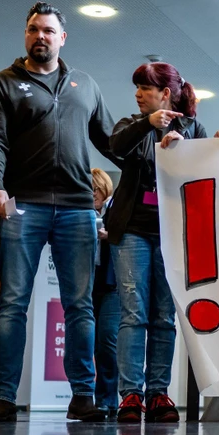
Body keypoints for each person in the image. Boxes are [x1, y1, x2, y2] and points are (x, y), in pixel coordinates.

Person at [0, 2, 116, 423]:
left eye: (48, 30)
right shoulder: (2, 84)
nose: (41, 36)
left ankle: (83, 396)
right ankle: (4, 397)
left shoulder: (85, 84)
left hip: (77, 208)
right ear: (26, 34)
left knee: (80, 306)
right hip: (23, 205)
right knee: (12, 303)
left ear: (62, 38)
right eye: (34, 29)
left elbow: (111, 142)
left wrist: (157, 152)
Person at [106, 62, 207, 424]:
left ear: (165, 93)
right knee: (133, 313)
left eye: (145, 88)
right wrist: (148, 124)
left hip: (172, 233)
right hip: (131, 229)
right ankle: (131, 394)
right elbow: (115, 147)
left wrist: (182, 149)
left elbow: (202, 174)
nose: (138, 94)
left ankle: (158, 393)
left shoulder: (192, 127)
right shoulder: (130, 124)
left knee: (164, 316)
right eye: (137, 87)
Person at [91, 168, 119, 417]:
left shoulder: (116, 207)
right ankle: (99, 400)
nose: (92, 195)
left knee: (108, 341)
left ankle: (109, 399)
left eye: (95, 190)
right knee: (93, 344)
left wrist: (108, 236)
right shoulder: (86, 213)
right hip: (90, 284)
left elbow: (127, 237)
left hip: (113, 283)